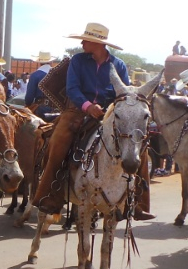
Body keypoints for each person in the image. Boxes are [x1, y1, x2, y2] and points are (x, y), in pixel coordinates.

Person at [32, 23, 154, 220]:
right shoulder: (77, 61)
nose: (81, 42)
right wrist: (88, 106)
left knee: (139, 145)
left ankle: (138, 203)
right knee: (57, 141)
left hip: (109, 111)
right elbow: (72, 89)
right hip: (78, 110)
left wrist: (110, 109)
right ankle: (49, 195)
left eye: (85, 39)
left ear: (97, 43)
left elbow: (122, 92)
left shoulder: (119, 65)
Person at [25, 51, 56, 118]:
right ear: (50, 62)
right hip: (57, 110)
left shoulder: (35, 75)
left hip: (41, 110)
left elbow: (29, 98)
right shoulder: (57, 74)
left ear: (39, 62)